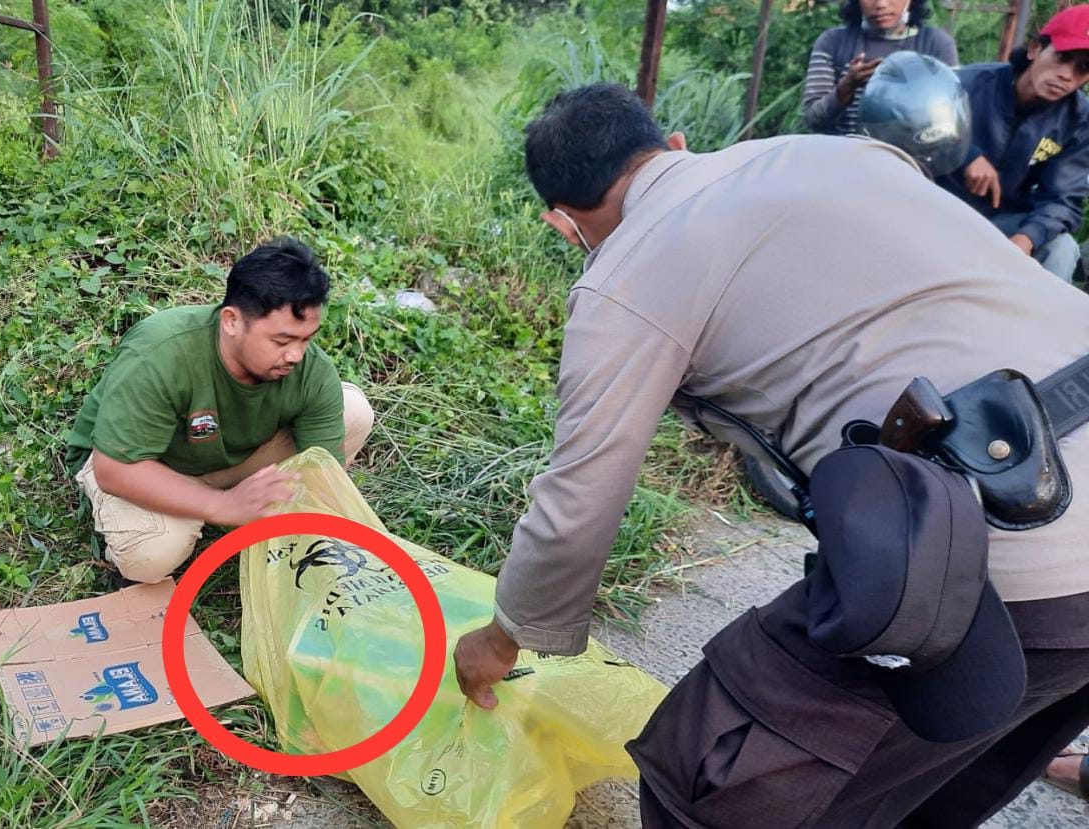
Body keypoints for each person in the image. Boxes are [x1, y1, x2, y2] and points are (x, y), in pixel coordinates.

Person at [453, 83, 1089, 826]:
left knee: (717, 768)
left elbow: (579, 497)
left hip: (1022, 534)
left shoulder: (630, 269)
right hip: (1043, 505)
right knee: (925, 785)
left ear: (565, 226)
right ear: (677, 145)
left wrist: (505, 637)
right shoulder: (842, 154)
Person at [65, 237, 374, 584]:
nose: (296, 356)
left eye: (306, 340)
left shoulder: (310, 371)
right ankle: (201, 510)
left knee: (354, 412)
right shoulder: (161, 354)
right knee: (151, 557)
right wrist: (221, 507)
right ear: (231, 321)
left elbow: (323, 477)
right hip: (144, 462)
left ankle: (248, 508)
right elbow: (115, 469)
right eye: (282, 341)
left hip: (225, 457)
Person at [936, 6, 1089, 284]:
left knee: (1062, 248)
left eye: (1083, 68)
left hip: (1001, 222)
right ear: (1034, 49)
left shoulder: (1079, 120)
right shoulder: (967, 83)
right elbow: (913, 129)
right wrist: (966, 154)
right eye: (1062, 58)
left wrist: (1028, 237)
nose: (1067, 75)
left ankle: (1039, 326)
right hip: (937, 208)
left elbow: (1062, 200)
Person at [802, 0, 957, 135]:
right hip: (844, 158)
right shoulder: (833, 42)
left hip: (909, 161)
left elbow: (952, 116)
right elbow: (813, 120)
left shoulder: (935, 45)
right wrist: (845, 88)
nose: (881, 4)